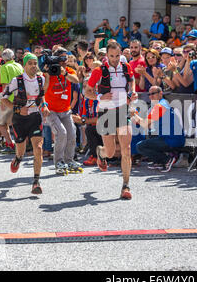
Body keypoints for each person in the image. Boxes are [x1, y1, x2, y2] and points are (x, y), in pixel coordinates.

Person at [84, 41, 137, 200]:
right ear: (107, 55)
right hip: (106, 112)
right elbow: (87, 92)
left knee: (126, 149)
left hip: (122, 111)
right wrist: (100, 96)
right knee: (111, 152)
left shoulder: (126, 67)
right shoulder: (99, 71)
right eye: (111, 56)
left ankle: (125, 185)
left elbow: (132, 81)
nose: (114, 59)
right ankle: (100, 152)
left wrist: (132, 94)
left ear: (121, 54)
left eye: (117, 55)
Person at [1, 53, 49, 195]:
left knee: (38, 148)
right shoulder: (17, 80)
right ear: (24, 65)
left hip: (35, 118)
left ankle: (36, 182)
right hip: (20, 119)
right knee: (21, 150)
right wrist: (16, 108)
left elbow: (41, 96)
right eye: (31, 63)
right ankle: (17, 159)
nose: (34, 66)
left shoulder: (40, 79)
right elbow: (3, 98)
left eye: (35, 63)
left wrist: (44, 106)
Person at [43, 47, 83, 175]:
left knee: (72, 133)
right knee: (61, 133)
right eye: (63, 58)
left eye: (67, 58)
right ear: (57, 59)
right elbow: (44, 89)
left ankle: (69, 160)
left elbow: (76, 80)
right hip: (52, 110)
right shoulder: (49, 72)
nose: (66, 61)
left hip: (65, 110)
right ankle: (59, 162)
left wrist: (64, 73)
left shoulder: (69, 70)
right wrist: (48, 74)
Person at [133, 86, 185, 172]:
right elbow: (149, 125)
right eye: (149, 94)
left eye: (153, 94)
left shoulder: (160, 106)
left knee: (140, 146)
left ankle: (167, 160)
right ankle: (159, 161)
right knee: (150, 135)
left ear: (160, 94)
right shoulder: (160, 104)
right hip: (169, 138)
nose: (150, 96)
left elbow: (145, 124)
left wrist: (134, 115)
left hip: (172, 139)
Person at [0, 48, 24, 154]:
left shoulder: (4, 67)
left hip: (9, 98)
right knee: (9, 123)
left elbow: (4, 85)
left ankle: (10, 144)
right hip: (20, 98)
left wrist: (3, 100)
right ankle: (11, 144)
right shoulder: (19, 66)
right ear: (13, 56)